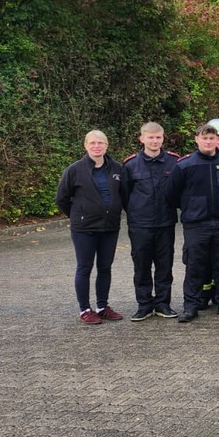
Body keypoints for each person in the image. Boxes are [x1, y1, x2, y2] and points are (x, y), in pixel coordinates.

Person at [169, 123, 219, 322]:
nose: (209, 142)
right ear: (197, 140)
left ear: (218, 141)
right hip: (196, 224)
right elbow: (173, 194)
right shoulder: (185, 165)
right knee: (194, 266)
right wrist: (193, 209)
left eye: (212, 138)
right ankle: (191, 306)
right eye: (205, 138)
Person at [56, 129, 127, 324]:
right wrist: (77, 215)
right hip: (84, 229)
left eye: (100, 143)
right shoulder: (74, 170)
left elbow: (124, 195)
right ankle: (85, 309)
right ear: (85, 146)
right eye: (92, 143)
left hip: (109, 227)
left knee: (105, 267)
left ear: (107, 146)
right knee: (84, 267)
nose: (96, 146)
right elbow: (61, 198)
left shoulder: (117, 169)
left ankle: (102, 306)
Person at [121, 122, 180, 321]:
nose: (154, 141)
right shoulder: (130, 165)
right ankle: (144, 305)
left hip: (165, 223)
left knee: (165, 265)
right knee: (142, 266)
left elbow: (179, 191)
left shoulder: (174, 162)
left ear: (163, 138)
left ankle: (163, 303)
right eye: (150, 137)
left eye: (158, 137)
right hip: (140, 225)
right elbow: (124, 195)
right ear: (142, 138)